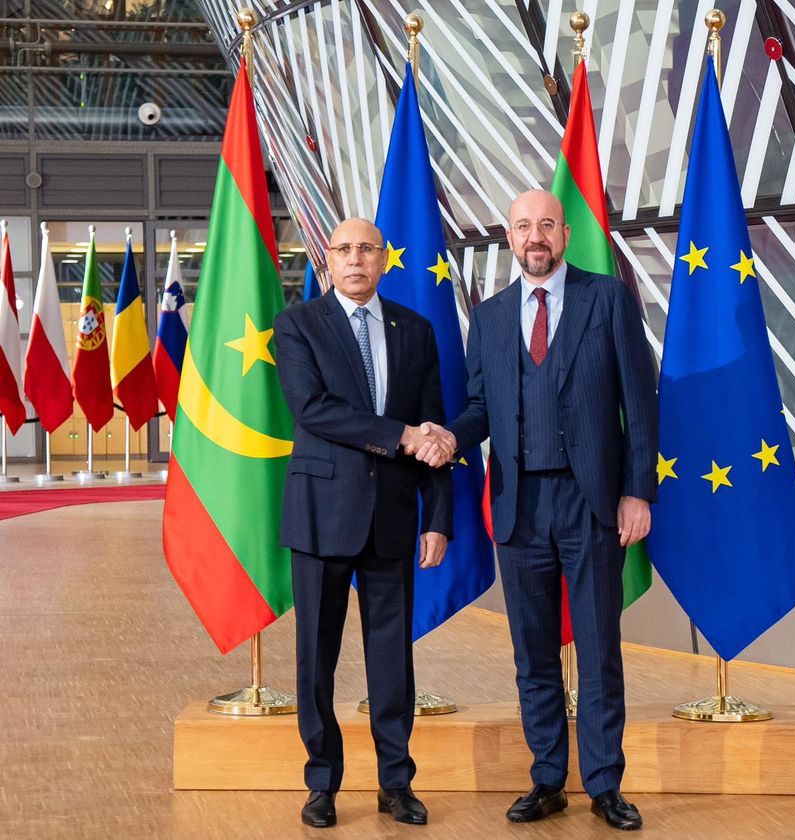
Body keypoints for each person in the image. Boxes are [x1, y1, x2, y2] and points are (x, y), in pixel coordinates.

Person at [418, 189, 658, 831]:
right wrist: (450, 438)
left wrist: (637, 491)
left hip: (592, 503)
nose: (535, 237)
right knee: (533, 653)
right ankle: (548, 779)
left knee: (599, 649)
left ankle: (604, 784)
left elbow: (640, 401)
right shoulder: (491, 316)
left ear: (565, 233)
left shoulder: (608, 299)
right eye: (523, 226)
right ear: (509, 236)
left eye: (546, 225)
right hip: (518, 507)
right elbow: (479, 408)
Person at [273, 217, 453, 829]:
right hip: (322, 514)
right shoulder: (298, 324)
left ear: (383, 259)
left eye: (367, 249)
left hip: (394, 516)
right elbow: (313, 409)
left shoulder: (415, 330)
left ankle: (396, 782)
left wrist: (439, 518)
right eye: (345, 249)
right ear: (328, 258)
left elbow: (434, 428)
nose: (355, 259)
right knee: (316, 656)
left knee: (392, 659)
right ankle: (322, 782)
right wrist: (399, 435)